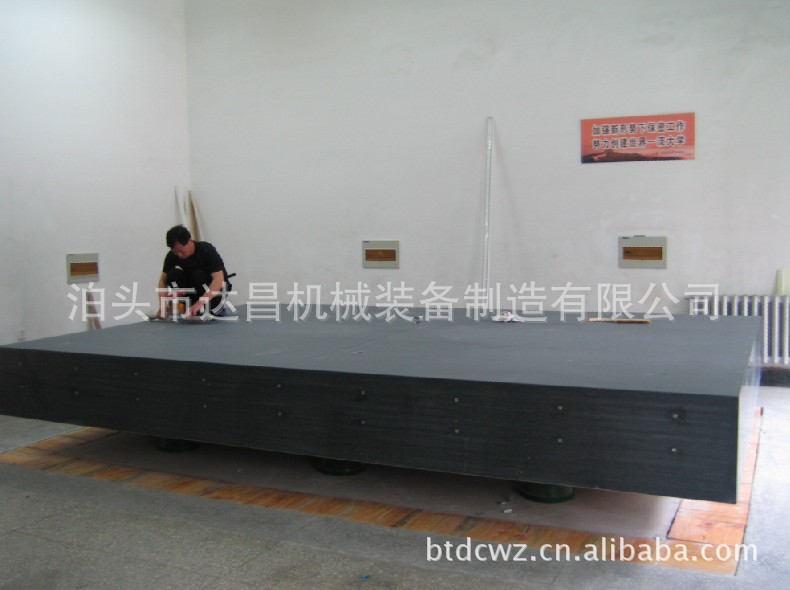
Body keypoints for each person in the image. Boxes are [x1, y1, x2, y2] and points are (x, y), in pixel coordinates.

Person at [157, 225, 228, 318]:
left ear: (189, 241)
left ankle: (214, 307)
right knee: (172, 275)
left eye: (181, 251)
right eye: (175, 252)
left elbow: (218, 280)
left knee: (198, 275)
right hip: (193, 289)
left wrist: (199, 304)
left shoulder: (206, 250)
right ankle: (188, 307)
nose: (179, 255)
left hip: (213, 289)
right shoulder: (172, 256)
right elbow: (162, 281)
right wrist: (162, 306)